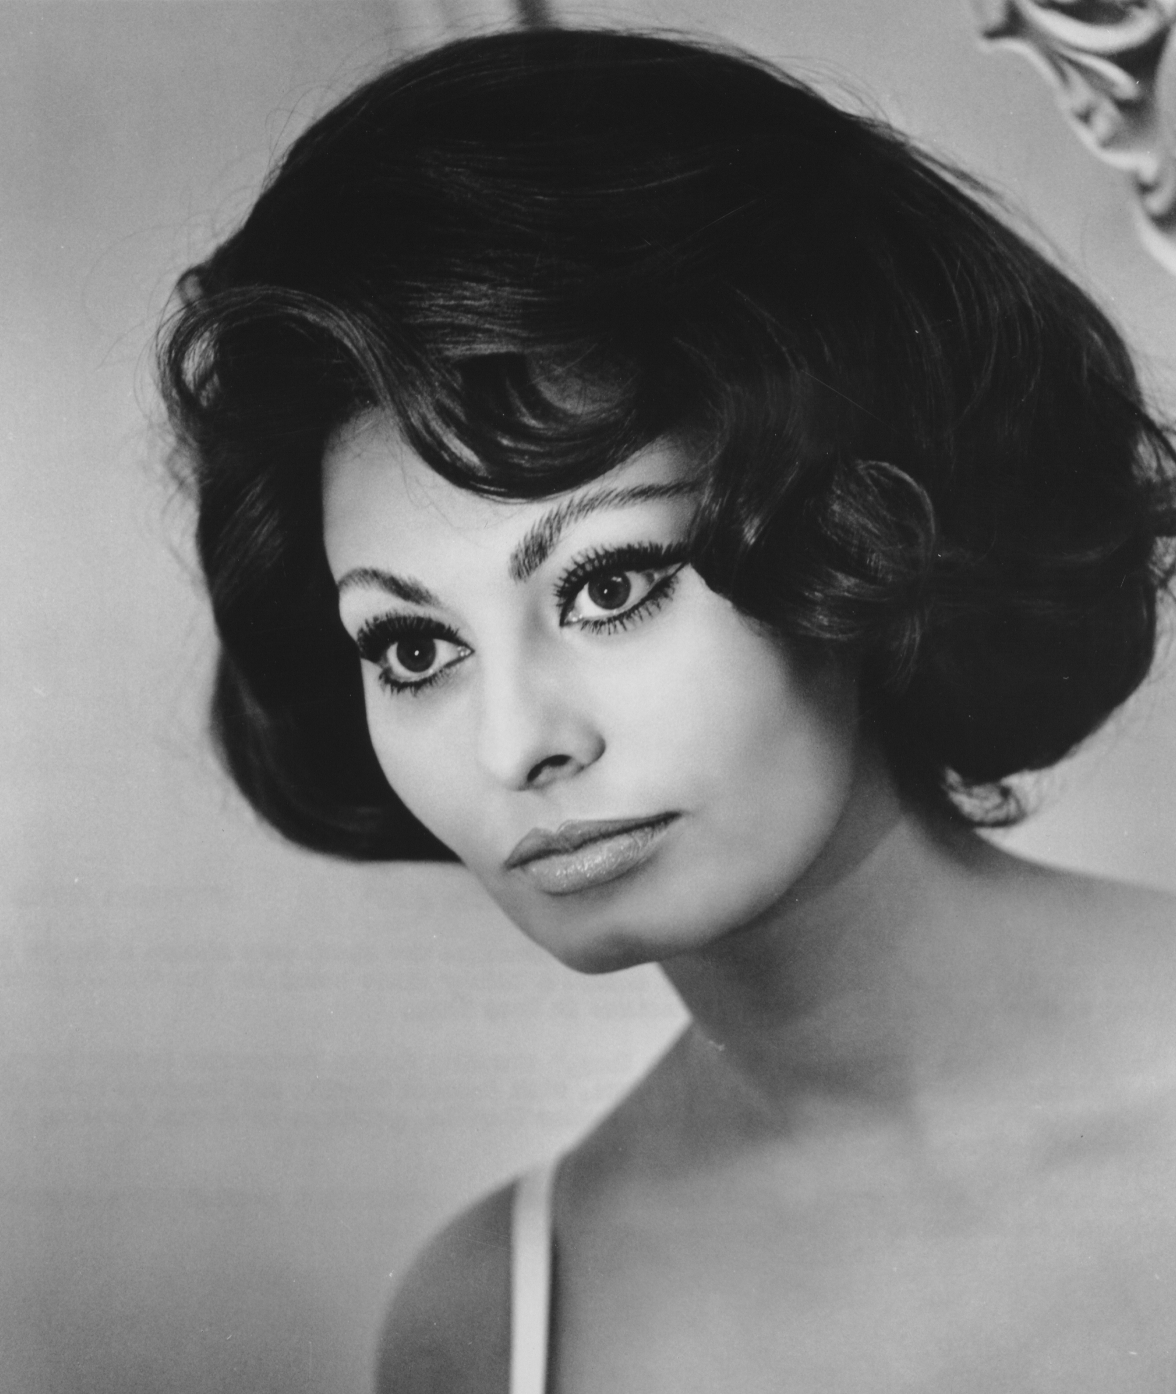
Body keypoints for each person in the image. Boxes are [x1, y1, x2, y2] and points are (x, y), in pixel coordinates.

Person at [157, 26, 1176, 1393]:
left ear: (857, 526)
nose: (516, 743)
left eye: (611, 584)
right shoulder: (493, 1325)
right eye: (411, 646)